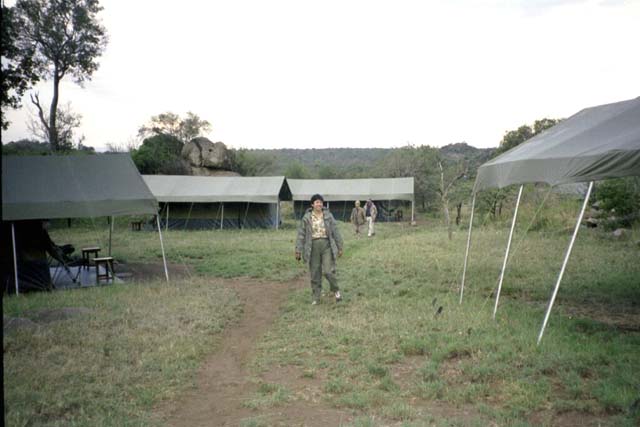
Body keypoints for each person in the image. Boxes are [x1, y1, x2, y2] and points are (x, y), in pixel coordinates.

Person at [295, 194, 344, 305]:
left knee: (328, 271)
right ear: (312, 204)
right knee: (315, 273)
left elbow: (335, 231)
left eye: (321, 202)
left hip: (326, 246)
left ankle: (336, 290)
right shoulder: (307, 218)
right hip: (312, 247)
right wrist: (298, 249)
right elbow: (301, 234)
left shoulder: (328, 216)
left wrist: (340, 247)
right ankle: (316, 297)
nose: (319, 204)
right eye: (317, 202)